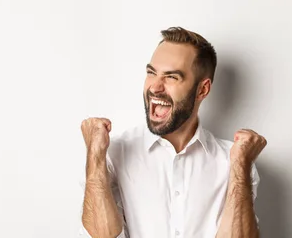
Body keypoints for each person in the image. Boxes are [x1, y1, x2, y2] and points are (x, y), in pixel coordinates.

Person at [79, 27, 267, 238]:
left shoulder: (234, 160)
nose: (155, 87)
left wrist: (241, 166)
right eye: (151, 73)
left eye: (171, 77)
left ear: (202, 90)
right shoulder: (113, 152)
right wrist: (95, 155)